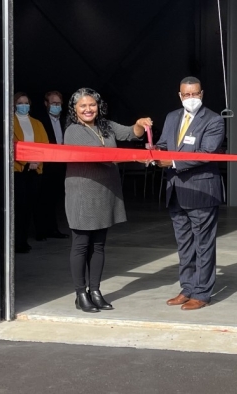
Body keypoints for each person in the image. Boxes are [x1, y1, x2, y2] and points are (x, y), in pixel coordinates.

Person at [63, 87, 152, 313]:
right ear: (74, 109)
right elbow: (100, 156)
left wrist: (140, 124)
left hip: (105, 192)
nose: (88, 109)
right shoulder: (73, 131)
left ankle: (95, 290)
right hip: (82, 193)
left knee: (99, 245)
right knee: (81, 245)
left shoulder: (106, 126)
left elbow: (132, 133)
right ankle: (80, 293)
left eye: (92, 104)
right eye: (82, 106)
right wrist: (134, 156)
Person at [156, 77, 225, 311]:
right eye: (186, 95)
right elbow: (164, 144)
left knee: (203, 244)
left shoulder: (214, 120)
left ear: (202, 94)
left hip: (201, 190)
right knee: (184, 243)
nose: (191, 98)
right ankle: (187, 287)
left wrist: (172, 161)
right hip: (176, 190)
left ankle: (202, 292)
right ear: (180, 95)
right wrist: (154, 152)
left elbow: (207, 152)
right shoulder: (172, 117)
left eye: (195, 94)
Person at [13, 92, 49, 254]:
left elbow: (45, 145)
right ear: (14, 105)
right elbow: (11, 146)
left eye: (26, 102)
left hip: (35, 169)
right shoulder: (9, 123)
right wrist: (26, 162)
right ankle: (16, 241)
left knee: (29, 206)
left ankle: (23, 240)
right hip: (18, 170)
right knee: (18, 207)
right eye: (20, 103)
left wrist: (36, 162)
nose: (23, 105)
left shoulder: (37, 123)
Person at [34, 90, 69, 241]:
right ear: (46, 104)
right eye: (53, 103)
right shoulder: (40, 121)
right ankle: (40, 231)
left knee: (55, 199)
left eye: (59, 103)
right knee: (42, 199)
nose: (56, 106)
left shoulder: (66, 121)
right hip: (46, 164)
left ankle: (53, 229)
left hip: (61, 165)